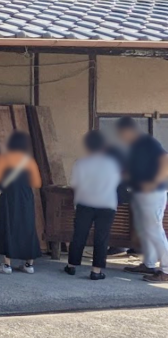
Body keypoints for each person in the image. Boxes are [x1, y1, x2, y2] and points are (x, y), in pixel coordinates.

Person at [116, 117, 168, 282]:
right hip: (140, 193)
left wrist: (153, 182)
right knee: (145, 230)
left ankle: (166, 270)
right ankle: (149, 263)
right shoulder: (134, 147)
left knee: (154, 230)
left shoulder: (147, 143)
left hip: (153, 192)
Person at [65, 130, 121, 280]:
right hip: (107, 203)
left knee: (79, 235)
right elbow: (117, 183)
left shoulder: (80, 163)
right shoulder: (113, 163)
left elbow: (74, 184)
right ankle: (96, 271)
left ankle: (71, 266)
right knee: (102, 237)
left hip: (85, 202)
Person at [0, 131, 42, 274]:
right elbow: (37, 183)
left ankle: (7, 265)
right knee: (28, 228)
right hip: (25, 199)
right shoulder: (29, 161)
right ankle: (29, 264)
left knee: (9, 227)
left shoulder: (4, 159)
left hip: (9, 198)